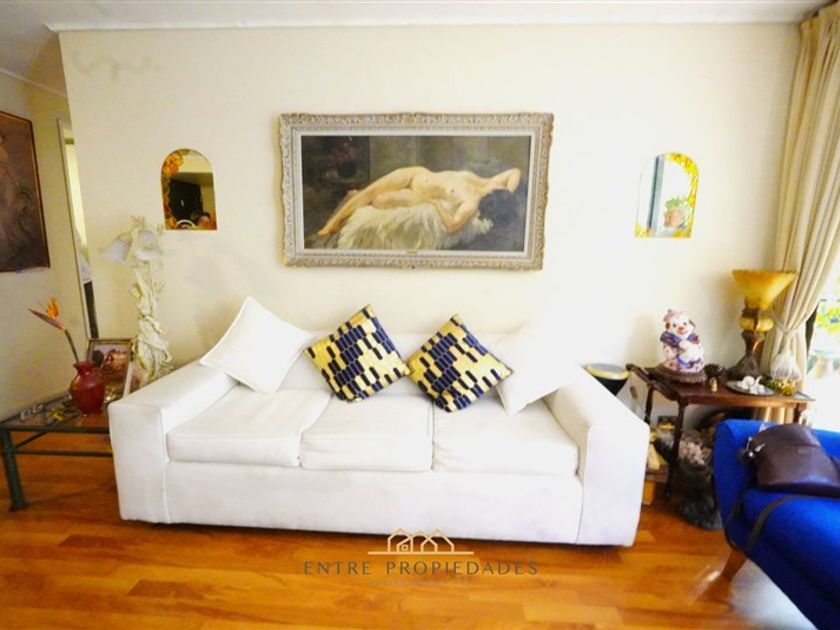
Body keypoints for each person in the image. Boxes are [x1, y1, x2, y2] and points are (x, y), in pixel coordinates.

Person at [316, 166, 521, 237]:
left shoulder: (471, 203)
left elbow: (452, 227)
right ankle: (331, 224)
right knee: (370, 192)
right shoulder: (489, 182)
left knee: (379, 200)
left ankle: (356, 197)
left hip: (420, 196)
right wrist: (509, 194)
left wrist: (436, 204)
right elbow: (515, 171)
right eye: (502, 188)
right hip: (417, 173)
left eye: (500, 190)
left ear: (493, 200)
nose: (499, 185)